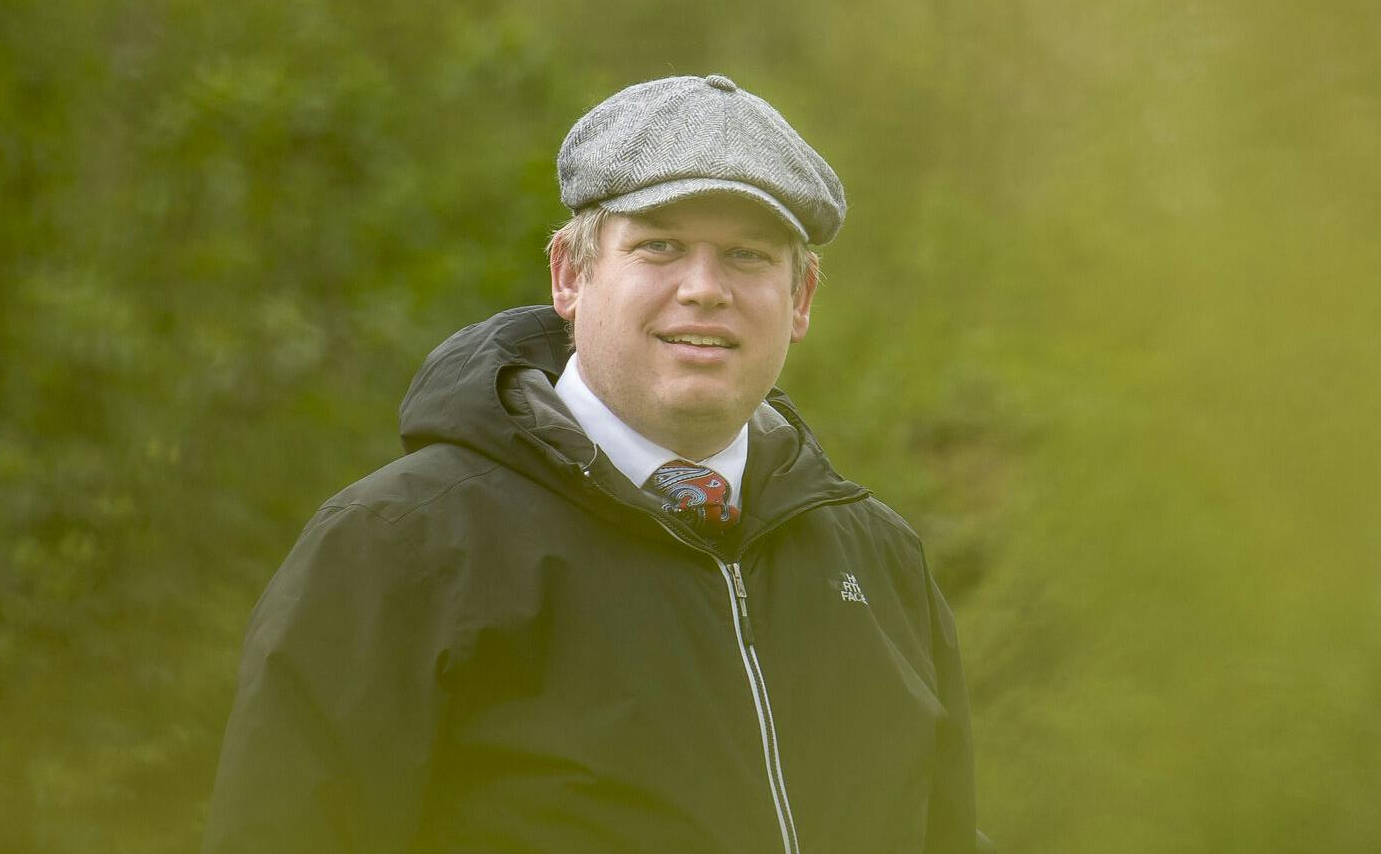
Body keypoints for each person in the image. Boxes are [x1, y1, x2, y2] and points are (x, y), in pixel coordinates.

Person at [203, 74, 986, 853]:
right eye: (660, 246)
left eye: (747, 255)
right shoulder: (395, 548)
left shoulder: (881, 563)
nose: (704, 289)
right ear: (570, 276)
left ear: (802, 296)